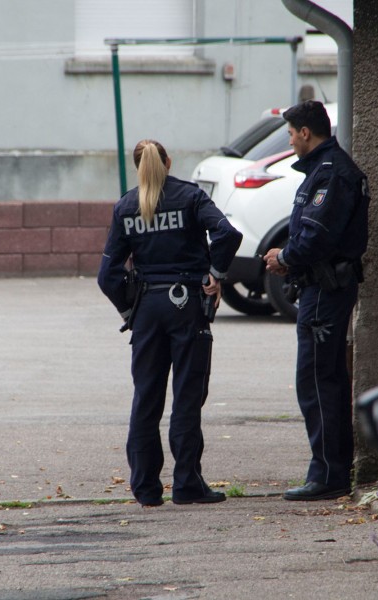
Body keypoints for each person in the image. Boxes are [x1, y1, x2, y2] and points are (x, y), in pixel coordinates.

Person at [98, 139, 243, 508]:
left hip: (147, 309)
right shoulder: (190, 197)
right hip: (186, 305)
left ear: (138, 167)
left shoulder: (126, 205)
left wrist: (129, 312)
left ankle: (146, 489)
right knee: (187, 395)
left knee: (146, 397)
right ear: (168, 161)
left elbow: (108, 275)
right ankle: (187, 484)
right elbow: (227, 233)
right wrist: (215, 273)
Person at [263, 101, 369, 501]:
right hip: (319, 288)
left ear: (306, 132)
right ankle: (330, 470)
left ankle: (328, 474)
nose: (289, 141)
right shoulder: (325, 170)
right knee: (325, 378)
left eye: (291, 134)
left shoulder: (331, 173)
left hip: (325, 290)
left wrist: (285, 258)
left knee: (317, 380)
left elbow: (317, 236)